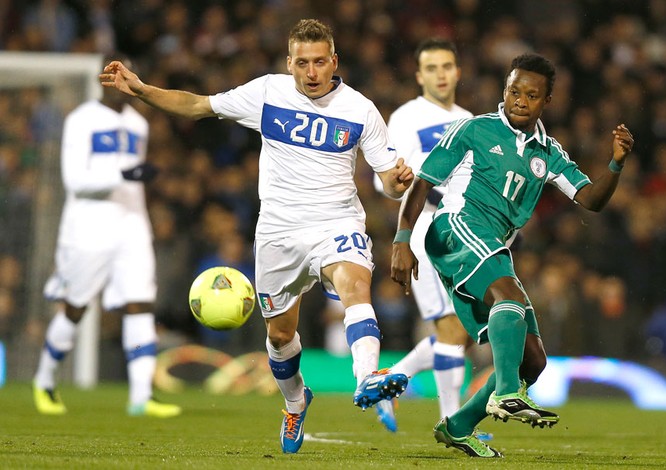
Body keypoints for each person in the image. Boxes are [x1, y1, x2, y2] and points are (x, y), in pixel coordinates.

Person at [100, 19, 413, 454]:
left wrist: (398, 182)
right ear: (289, 63)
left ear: (334, 62)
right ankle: (295, 402)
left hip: (336, 223)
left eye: (320, 62)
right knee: (281, 337)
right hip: (278, 233)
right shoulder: (267, 93)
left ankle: (366, 377)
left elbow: (387, 181)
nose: (311, 72)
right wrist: (141, 89)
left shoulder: (360, 110)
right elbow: (197, 106)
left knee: (355, 286)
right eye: (302, 63)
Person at [391, 53, 634, 458]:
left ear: (547, 102)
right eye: (513, 90)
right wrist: (401, 240)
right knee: (510, 298)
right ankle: (505, 393)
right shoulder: (473, 130)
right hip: (454, 226)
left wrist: (616, 163)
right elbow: (422, 184)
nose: (520, 100)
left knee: (533, 360)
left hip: (492, 246)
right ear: (504, 90)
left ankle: (458, 426)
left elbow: (591, 199)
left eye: (531, 95)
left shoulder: (549, 152)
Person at [33, 57, 181, 419]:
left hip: (132, 224)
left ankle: (142, 396)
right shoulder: (81, 120)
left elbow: (131, 184)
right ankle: (44, 380)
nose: (123, 82)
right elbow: (75, 182)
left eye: (129, 75)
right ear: (102, 79)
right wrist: (124, 173)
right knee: (76, 307)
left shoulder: (138, 124)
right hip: (88, 227)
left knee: (140, 303)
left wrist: (133, 181)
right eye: (116, 75)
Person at [373, 38, 477, 434]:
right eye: (432, 68)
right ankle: (453, 423)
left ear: (458, 71)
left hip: (467, 233)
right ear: (419, 76)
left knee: (464, 330)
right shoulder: (405, 118)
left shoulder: (470, 120)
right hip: (426, 228)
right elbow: (389, 181)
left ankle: (390, 379)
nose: (441, 74)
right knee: (451, 329)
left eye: (447, 66)